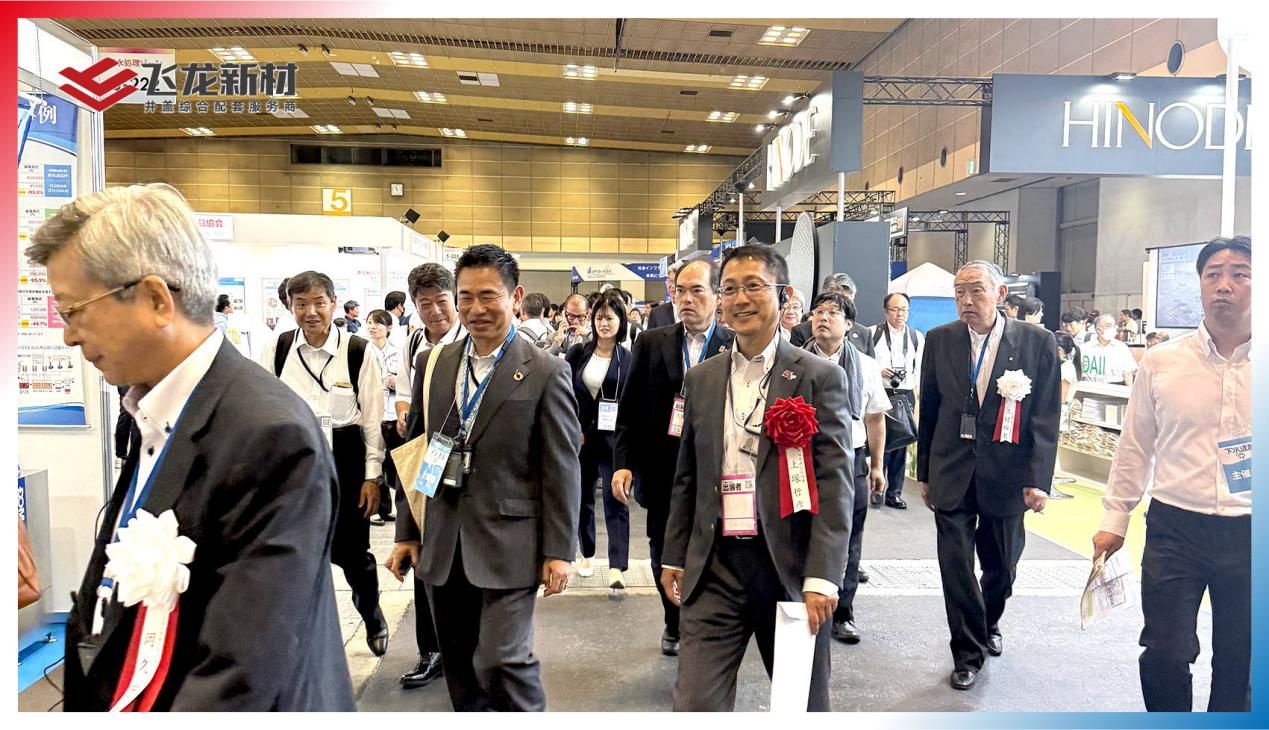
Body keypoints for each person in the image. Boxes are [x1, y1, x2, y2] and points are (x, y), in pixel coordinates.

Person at [33, 183, 353, 710]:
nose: (68, 335)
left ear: (156, 300)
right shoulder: (156, 409)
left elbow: (238, 670)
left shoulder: (268, 435)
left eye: (75, 311)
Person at [386, 244, 581, 712]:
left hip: (510, 543)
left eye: (488, 295)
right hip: (443, 542)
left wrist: (559, 551)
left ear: (516, 297)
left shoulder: (546, 371)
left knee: (502, 660)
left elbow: (561, 467)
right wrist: (407, 531)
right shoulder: (435, 364)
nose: (475, 309)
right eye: (466, 297)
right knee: (461, 673)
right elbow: (419, 452)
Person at [661, 244, 852, 711]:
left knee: (800, 707)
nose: (740, 299)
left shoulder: (818, 377)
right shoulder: (702, 378)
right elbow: (688, 475)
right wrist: (675, 555)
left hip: (788, 567)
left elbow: (835, 484)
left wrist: (823, 576)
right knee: (695, 705)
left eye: (753, 286)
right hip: (715, 565)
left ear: (784, 296)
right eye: (729, 289)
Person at [1093, 236, 1251, 713]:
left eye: (1240, 274)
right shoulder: (1163, 362)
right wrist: (1115, 519)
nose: (1224, 285)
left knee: (1243, 660)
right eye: (1213, 274)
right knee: (1163, 650)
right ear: (1200, 284)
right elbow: (1135, 445)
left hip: (1252, 533)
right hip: (1175, 528)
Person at [916, 259, 1060, 691]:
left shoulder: (1036, 342)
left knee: (1002, 567)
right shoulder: (940, 340)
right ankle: (967, 653)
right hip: (952, 470)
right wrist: (925, 472)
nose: (966, 300)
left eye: (975, 290)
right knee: (955, 565)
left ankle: (988, 621)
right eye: (959, 292)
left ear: (1000, 294)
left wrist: (1038, 479)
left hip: (1007, 473)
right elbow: (930, 408)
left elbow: (1046, 416)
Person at [259, 272, 389, 657]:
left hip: (345, 458)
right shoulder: (278, 348)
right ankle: (305, 637)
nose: (310, 312)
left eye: (319, 302)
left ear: (333, 303)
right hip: (294, 460)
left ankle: (372, 615)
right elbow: (262, 409)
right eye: (301, 304)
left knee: (354, 553)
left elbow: (372, 420)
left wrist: (372, 476)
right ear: (290, 306)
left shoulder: (359, 351)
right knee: (296, 553)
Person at [611, 257, 734, 656]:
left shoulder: (733, 344)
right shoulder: (652, 342)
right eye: (680, 291)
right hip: (662, 470)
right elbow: (629, 410)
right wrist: (623, 463)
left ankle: (708, 621)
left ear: (717, 296)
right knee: (664, 548)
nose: (686, 299)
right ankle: (673, 621)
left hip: (719, 472)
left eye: (697, 291)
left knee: (717, 549)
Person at [391, 262, 464, 690]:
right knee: (425, 553)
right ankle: (431, 649)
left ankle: (468, 650)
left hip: (475, 466)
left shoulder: (474, 338)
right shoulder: (416, 346)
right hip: (433, 459)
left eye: (441, 301)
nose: (435, 311)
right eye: (424, 304)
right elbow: (407, 396)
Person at [804, 292, 887, 645]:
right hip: (802, 458)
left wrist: (877, 466)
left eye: (832, 313)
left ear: (849, 325)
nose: (823, 318)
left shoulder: (865, 366)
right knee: (800, 533)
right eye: (818, 312)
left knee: (849, 538)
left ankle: (844, 613)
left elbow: (875, 418)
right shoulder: (795, 361)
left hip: (850, 459)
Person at [564, 290, 632, 589]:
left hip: (614, 440)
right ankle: (587, 553)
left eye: (610, 318)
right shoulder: (578, 353)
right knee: (582, 498)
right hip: (581, 437)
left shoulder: (628, 359)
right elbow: (565, 392)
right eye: (600, 318)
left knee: (616, 499)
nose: (604, 324)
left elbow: (632, 402)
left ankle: (617, 566)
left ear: (621, 322)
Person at [872, 291, 924, 509]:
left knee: (901, 444)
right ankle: (877, 488)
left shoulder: (916, 337)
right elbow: (864, 363)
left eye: (904, 310)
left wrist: (918, 399)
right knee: (880, 443)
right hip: (881, 391)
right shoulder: (873, 333)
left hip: (905, 393)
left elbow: (919, 371)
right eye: (895, 310)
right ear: (886, 312)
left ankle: (894, 493)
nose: (899, 314)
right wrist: (879, 370)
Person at [365, 309, 401, 526]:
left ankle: (388, 508)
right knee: (374, 460)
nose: (372, 327)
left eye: (377, 323)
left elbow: (407, 382)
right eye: (369, 322)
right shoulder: (364, 351)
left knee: (392, 463)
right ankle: (375, 509)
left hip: (393, 414)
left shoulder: (398, 352)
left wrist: (395, 382)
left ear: (388, 328)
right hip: (372, 414)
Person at [789, 272, 875, 356]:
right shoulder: (801, 331)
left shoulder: (864, 334)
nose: (843, 306)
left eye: (847, 301)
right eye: (837, 301)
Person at [1081, 314, 1138, 385]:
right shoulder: (1085, 348)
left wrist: (1129, 389)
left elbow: (1128, 373)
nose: (1112, 328)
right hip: (1090, 387)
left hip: (1115, 388)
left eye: (1114, 326)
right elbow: (1080, 374)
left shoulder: (1121, 348)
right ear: (1098, 329)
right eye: (1108, 326)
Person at [647, 261, 685, 329]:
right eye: (670, 281)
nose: (672, 286)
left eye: (676, 281)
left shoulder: (696, 310)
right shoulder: (657, 313)